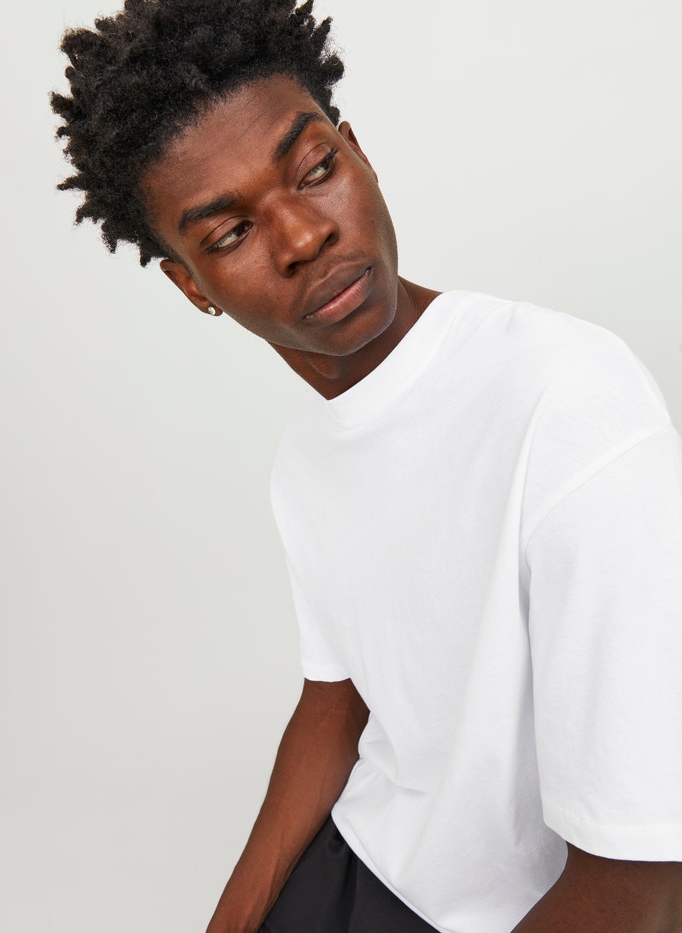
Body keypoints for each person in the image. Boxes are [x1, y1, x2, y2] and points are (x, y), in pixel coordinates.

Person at [51, 1, 682, 930]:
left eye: (316, 170)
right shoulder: (306, 455)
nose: (303, 236)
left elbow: (642, 884)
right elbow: (337, 700)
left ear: (359, 153)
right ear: (192, 285)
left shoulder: (570, 401)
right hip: (366, 856)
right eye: (228, 234)